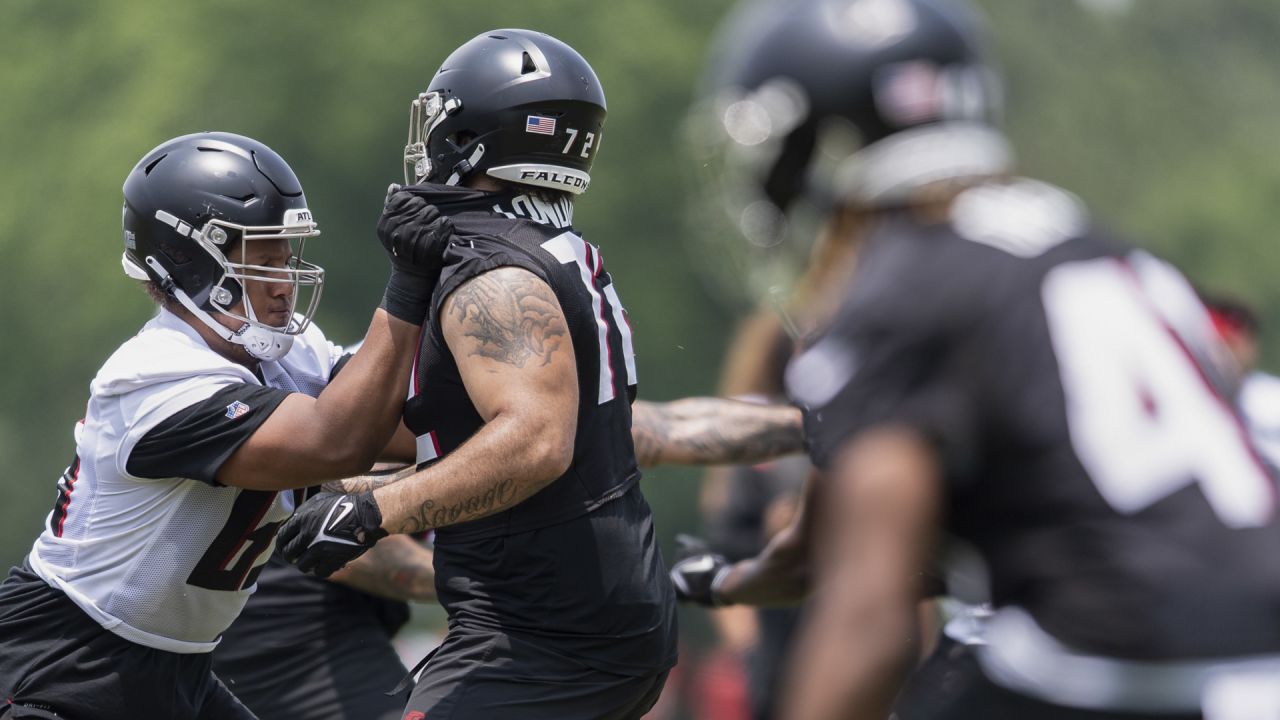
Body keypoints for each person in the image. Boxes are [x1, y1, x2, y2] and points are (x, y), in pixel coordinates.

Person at [671, 0, 1280, 718]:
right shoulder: (1085, 238)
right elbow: (818, 546)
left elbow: (872, 615)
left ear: (825, 143)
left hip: (1130, 665)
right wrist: (732, 582)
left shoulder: (906, 286)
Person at [271, 29, 808, 719]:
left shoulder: (488, 272)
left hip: (546, 636)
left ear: (470, 134)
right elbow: (620, 431)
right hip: (581, 621)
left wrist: (374, 511)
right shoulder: (553, 248)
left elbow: (535, 442)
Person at [0, 131, 453, 719]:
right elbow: (342, 440)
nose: (284, 281)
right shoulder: (155, 375)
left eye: (284, 258)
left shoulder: (279, 352)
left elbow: (410, 423)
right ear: (187, 264)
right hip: (66, 663)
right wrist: (408, 288)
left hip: (178, 668)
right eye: (262, 261)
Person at [214, 394, 804, 720]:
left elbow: (667, 426)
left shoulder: (521, 409)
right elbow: (380, 564)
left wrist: (817, 423)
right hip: (288, 639)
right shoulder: (376, 419)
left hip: (364, 625)